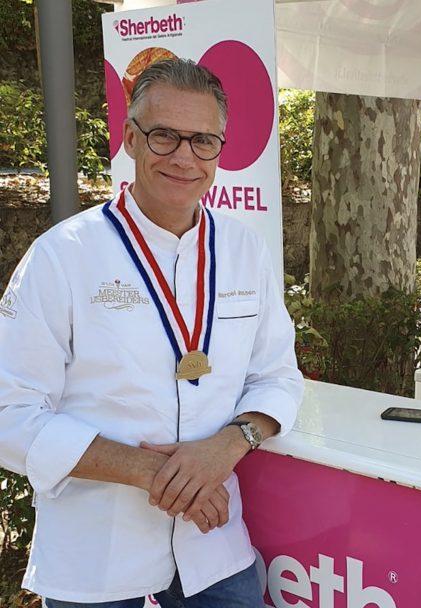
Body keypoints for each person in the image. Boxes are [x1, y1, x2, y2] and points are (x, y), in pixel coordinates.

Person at [0, 59, 303, 606]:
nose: (185, 157)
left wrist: (228, 446)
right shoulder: (62, 256)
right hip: (97, 555)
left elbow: (277, 376)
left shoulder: (244, 250)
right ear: (131, 138)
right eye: (165, 135)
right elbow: (10, 412)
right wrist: (153, 471)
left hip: (212, 542)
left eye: (203, 140)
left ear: (220, 150)